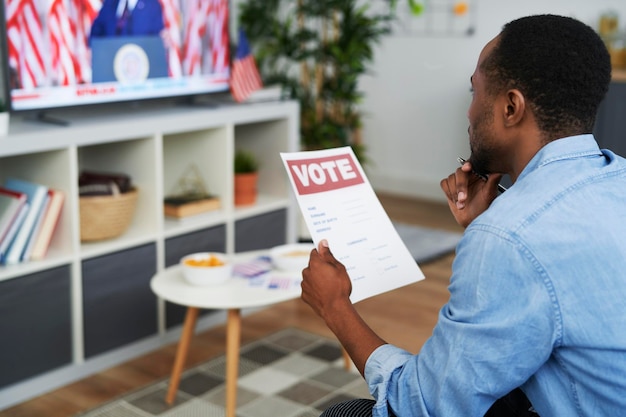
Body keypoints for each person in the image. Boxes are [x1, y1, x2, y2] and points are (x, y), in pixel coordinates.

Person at [301, 14, 626, 417]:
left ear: (511, 107)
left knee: (343, 414)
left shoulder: (509, 238)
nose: (469, 112)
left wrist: (335, 305)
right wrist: (486, 223)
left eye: (475, 92)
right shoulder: (617, 177)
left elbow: (422, 407)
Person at [90, 0, 164, 39]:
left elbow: (156, 40)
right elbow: (96, 31)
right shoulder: (110, 3)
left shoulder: (152, 5)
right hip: (110, 60)